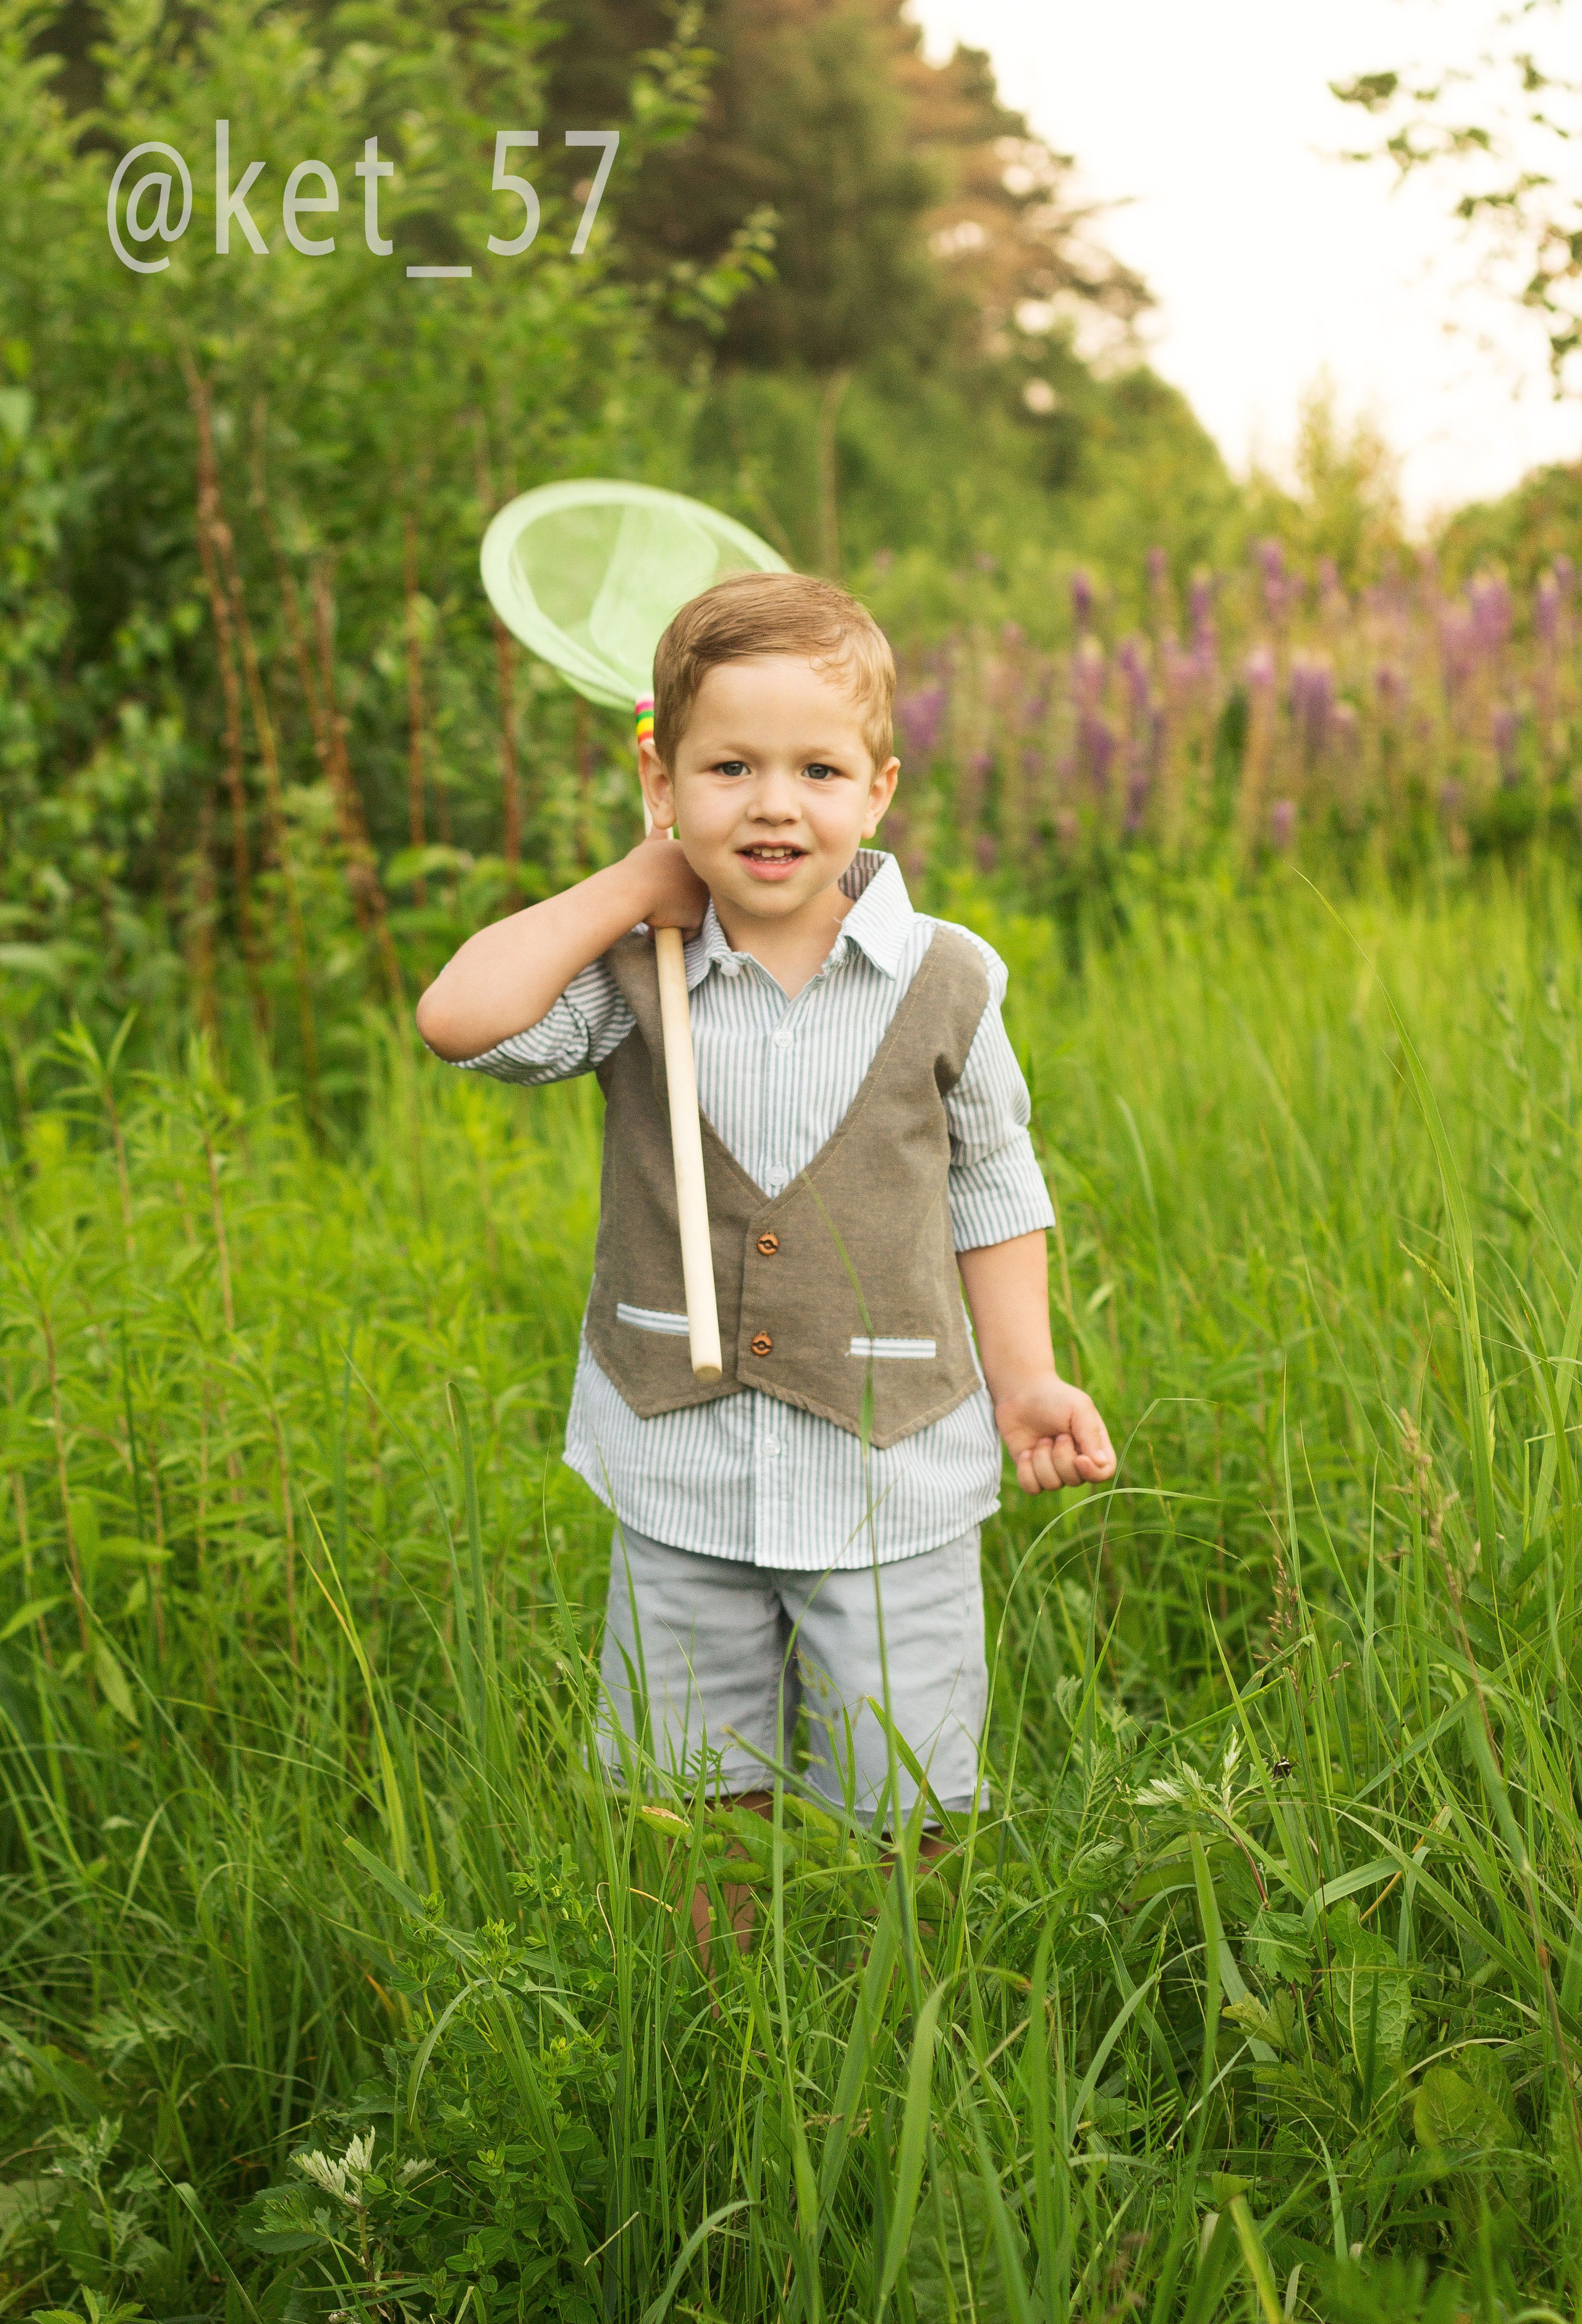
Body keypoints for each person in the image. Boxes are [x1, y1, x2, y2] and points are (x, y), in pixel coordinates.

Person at [416, 570, 1117, 1938]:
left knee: (902, 1786)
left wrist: (1024, 1378)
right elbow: (458, 1018)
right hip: (677, 1455)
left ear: (879, 788)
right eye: (728, 766)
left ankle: (900, 2014)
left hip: (887, 1460)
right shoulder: (637, 970)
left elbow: (992, 1177)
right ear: (661, 779)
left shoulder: (947, 977)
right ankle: (720, 2016)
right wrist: (633, 879)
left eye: (816, 768)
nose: (774, 803)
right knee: (692, 1787)